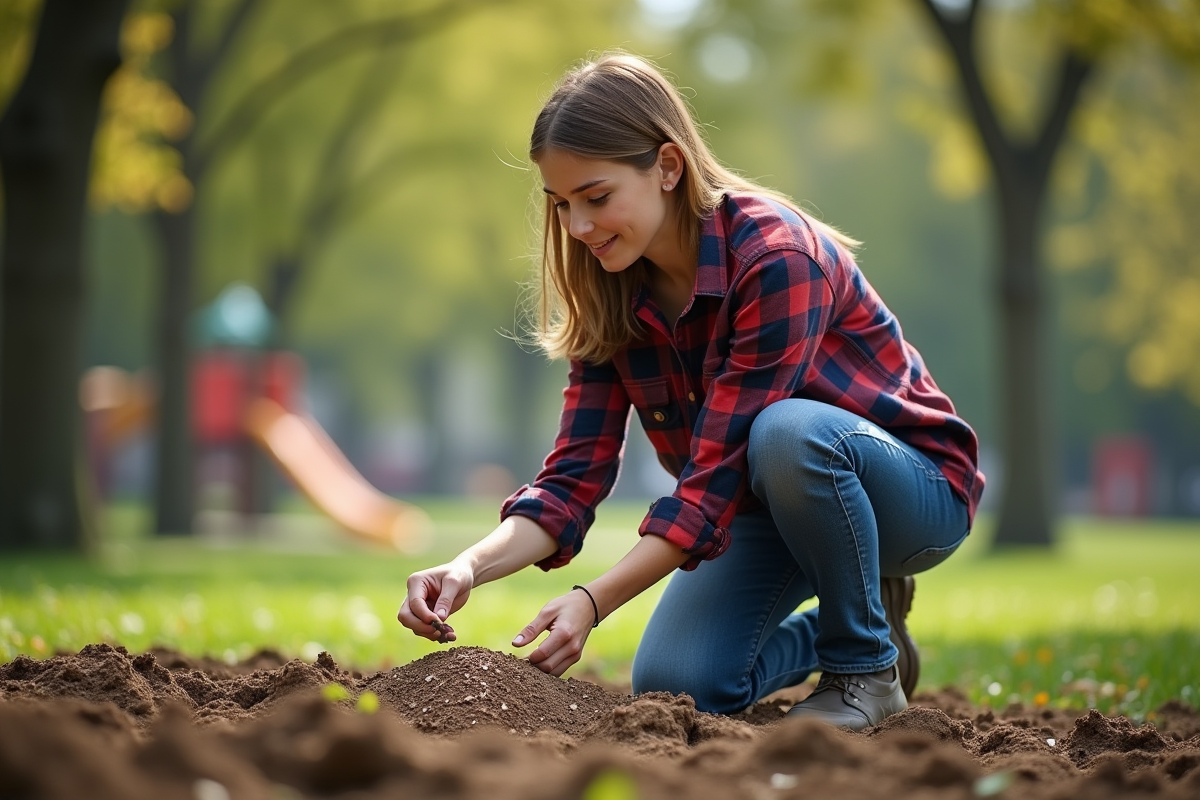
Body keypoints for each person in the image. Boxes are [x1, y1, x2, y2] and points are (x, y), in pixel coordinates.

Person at [397, 52, 984, 731]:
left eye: (596, 197)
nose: (578, 227)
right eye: (561, 205)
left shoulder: (776, 258)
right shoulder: (609, 289)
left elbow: (713, 481)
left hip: (908, 496)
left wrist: (593, 600)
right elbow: (572, 480)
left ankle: (864, 670)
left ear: (668, 167)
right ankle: (871, 625)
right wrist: (468, 566)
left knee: (787, 431)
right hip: (757, 503)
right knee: (678, 683)